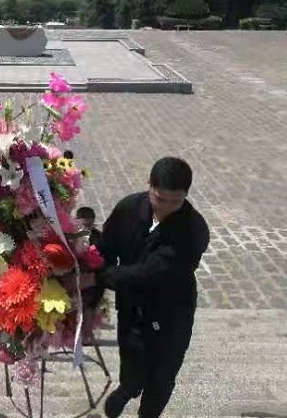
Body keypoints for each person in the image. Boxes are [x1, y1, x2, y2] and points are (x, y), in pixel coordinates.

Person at [96, 157, 209, 418]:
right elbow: (105, 248)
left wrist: (102, 278)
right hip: (131, 306)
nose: (166, 207)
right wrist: (92, 276)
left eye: (175, 201)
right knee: (131, 358)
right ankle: (128, 388)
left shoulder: (193, 230)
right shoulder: (128, 209)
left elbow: (153, 273)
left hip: (171, 312)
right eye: (160, 198)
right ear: (150, 186)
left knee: (162, 374)